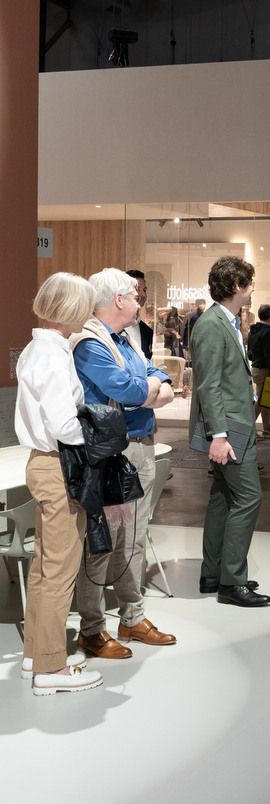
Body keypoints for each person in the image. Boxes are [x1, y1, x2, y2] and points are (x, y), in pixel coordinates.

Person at [71, 266, 178, 659]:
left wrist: (152, 387)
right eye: (134, 295)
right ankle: (92, 629)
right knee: (103, 543)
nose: (139, 301)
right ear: (118, 299)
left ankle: (132, 617)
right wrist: (150, 391)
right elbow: (128, 390)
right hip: (110, 455)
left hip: (140, 448)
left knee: (134, 539)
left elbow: (156, 376)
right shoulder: (89, 343)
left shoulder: (125, 339)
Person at [17, 273, 103, 695]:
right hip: (58, 466)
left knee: (44, 568)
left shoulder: (39, 349)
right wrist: (100, 433)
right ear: (69, 308)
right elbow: (65, 425)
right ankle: (50, 669)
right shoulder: (52, 355)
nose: (89, 313)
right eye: (85, 305)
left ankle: (37, 654)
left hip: (44, 464)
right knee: (59, 571)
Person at [189, 256, 270, 606]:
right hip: (230, 428)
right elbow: (208, 385)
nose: (252, 290)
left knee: (223, 497)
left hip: (237, 424)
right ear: (237, 286)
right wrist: (219, 436)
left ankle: (214, 574)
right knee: (249, 498)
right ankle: (232, 582)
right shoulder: (212, 324)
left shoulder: (228, 321)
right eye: (250, 284)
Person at [248, 303, 270, 438]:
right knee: (261, 400)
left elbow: (250, 352)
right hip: (264, 368)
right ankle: (249, 429)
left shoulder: (254, 330)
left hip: (256, 367)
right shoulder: (267, 331)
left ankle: (268, 428)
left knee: (265, 399)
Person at [124, 269, 154, 357]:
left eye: (144, 290)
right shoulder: (113, 328)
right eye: (137, 289)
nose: (143, 294)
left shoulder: (147, 332)